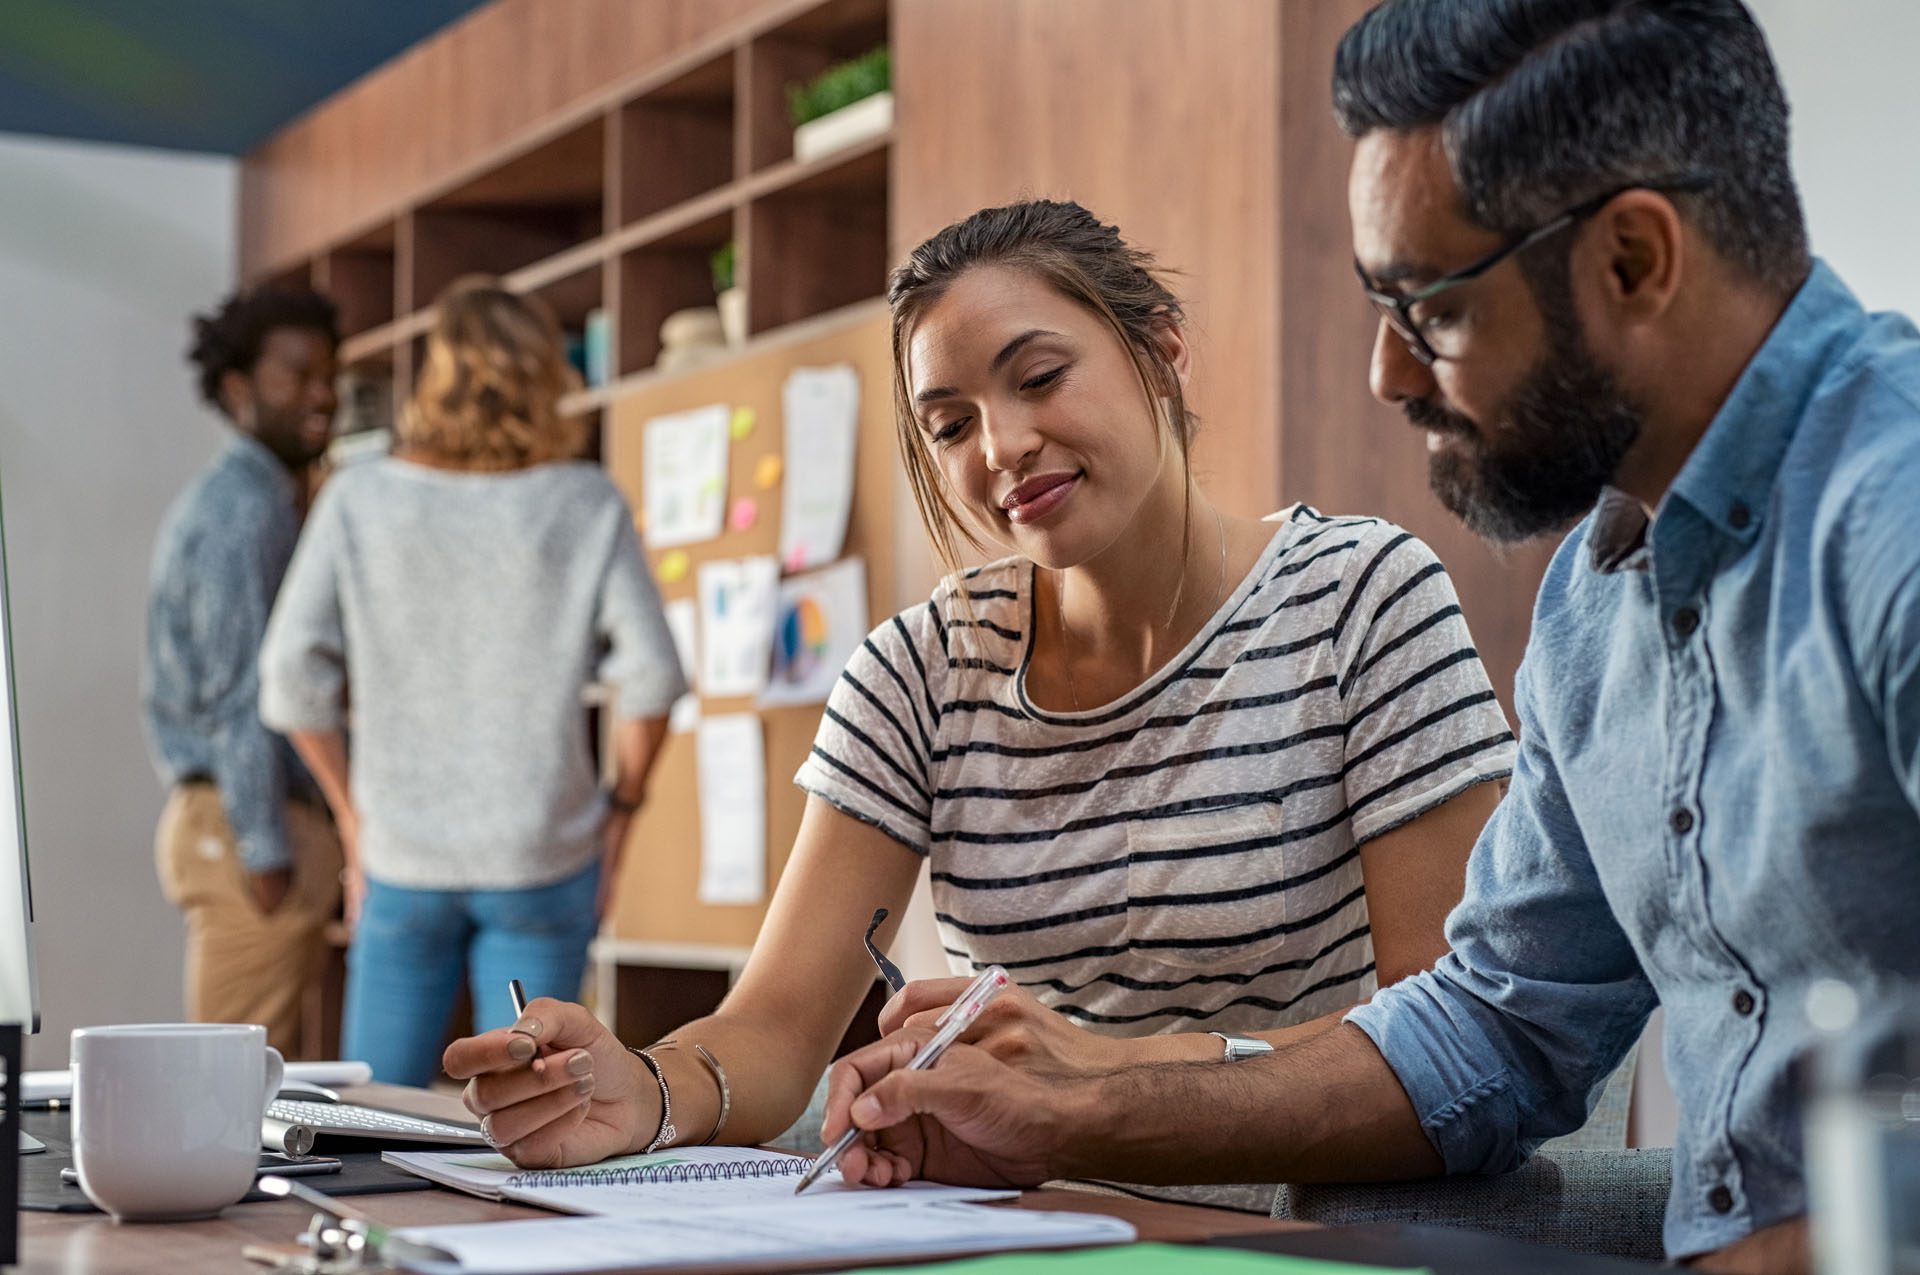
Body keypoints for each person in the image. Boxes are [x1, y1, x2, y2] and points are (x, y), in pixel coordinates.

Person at [780, 2, 1920, 1272]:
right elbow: (1497, 1030)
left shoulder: (1895, 522)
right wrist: (1077, 1105)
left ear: (1635, 260)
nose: (1386, 371)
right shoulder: (1599, 603)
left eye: (1428, 306)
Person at [440, 200, 1517, 1207]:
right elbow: (772, 1031)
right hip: (1015, 1228)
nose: (999, 449)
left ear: (1163, 351)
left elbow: (1449, 1039)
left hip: (1295, 1221)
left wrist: (1097, 1080)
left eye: (1040, 376)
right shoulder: (919, 672)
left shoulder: (1363, 599)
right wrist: (648, 1088)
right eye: (950, 426)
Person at [258, 278, 686, 1086]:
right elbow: (655, 677)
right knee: (538, 1117)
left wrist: (355, 818)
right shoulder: (583, 500)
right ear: (545, 375)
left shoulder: (359, 498)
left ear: (434, 376)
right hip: (543, 853)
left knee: (370, 1111)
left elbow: (288, 678)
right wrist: (620, 814)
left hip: (402, 856)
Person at [144, 287, 346, 1056]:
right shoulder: (244, 512)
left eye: (330, 373)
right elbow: (242, 694)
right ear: (238, 388)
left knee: (251, 1083)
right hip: (247, 828)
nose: (322, 393)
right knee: (226, 1091)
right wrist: (264, 848)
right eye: (298, 374)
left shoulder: (265, 500)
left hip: (245, 821)